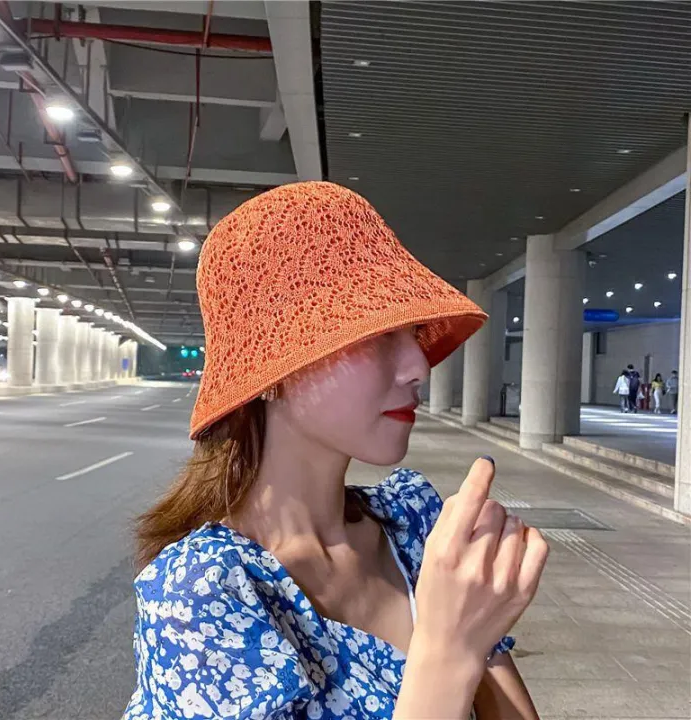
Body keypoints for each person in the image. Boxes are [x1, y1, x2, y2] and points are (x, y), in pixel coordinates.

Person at [123, 183, 549, 720]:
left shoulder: (413, 524)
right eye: (376, 335)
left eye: (413, 333)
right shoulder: (201, 596)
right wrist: (450, 651)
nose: (419, 366)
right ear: (273, 373)